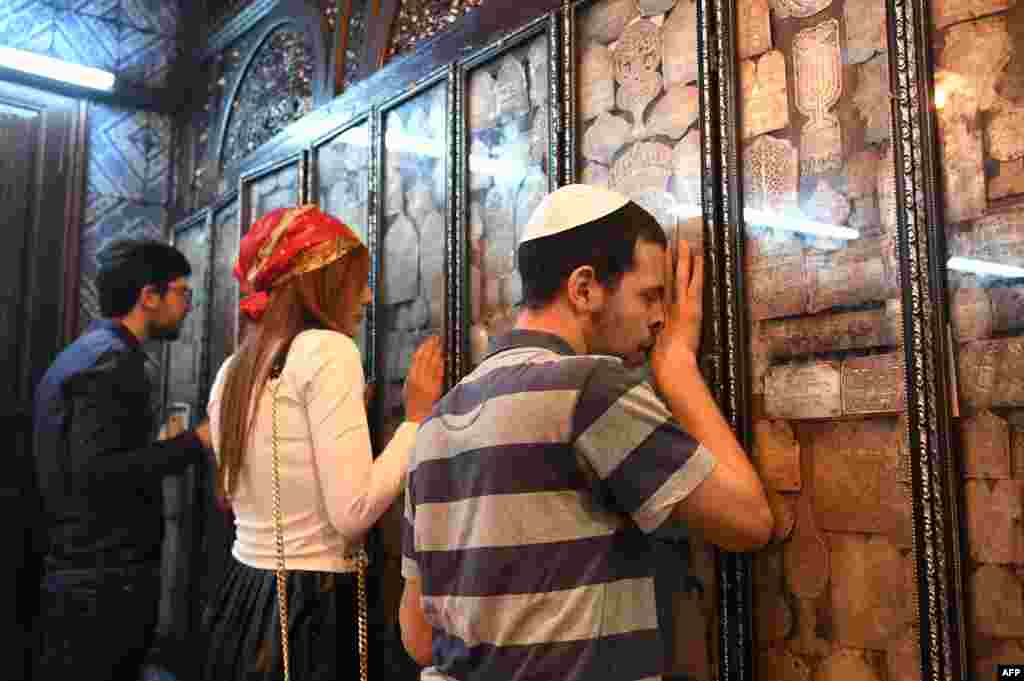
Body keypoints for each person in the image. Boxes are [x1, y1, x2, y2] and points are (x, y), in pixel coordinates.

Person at [399, 184, 774, 680]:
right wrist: (678, 368)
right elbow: (748, 521)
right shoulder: (590, 389)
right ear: (584, 289)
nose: (661, 317)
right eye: (649, 295)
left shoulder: (435, 424)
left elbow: (419, 636)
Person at [201, 205, 444, 681]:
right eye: (357, 282)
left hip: (242, 597)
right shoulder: (328, 351)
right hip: (304, 607)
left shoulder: (233, 370)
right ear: (322, 285)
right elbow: (352, 511)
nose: (368, 296)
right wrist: (415, 421)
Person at [32, 239, 213, 681]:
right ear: (148, 296)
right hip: (103, 581)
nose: (188, 307)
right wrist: (195, 443)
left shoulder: (87, 352)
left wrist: (157, 446)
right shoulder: (113, 363)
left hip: (83, 574)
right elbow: (100, 475)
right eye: (183, 294)